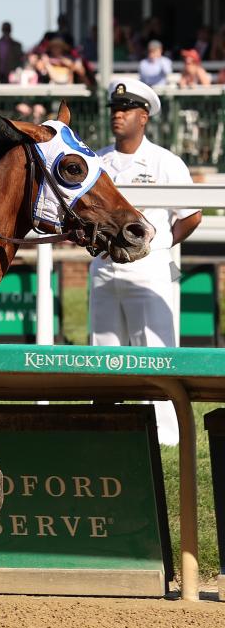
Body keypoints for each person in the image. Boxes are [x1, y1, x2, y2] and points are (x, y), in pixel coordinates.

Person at [90, 78, 202, 445]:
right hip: (105, 265)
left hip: (148, 267)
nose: (118, 115)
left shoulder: (165, 162)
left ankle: (165, 435)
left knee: (154, 351)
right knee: (104, 349)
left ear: (144, 117)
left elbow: (191, 214)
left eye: (126, 110)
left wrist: (160, 244)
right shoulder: (97, 161)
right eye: (114, 109)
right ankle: (106, 426)